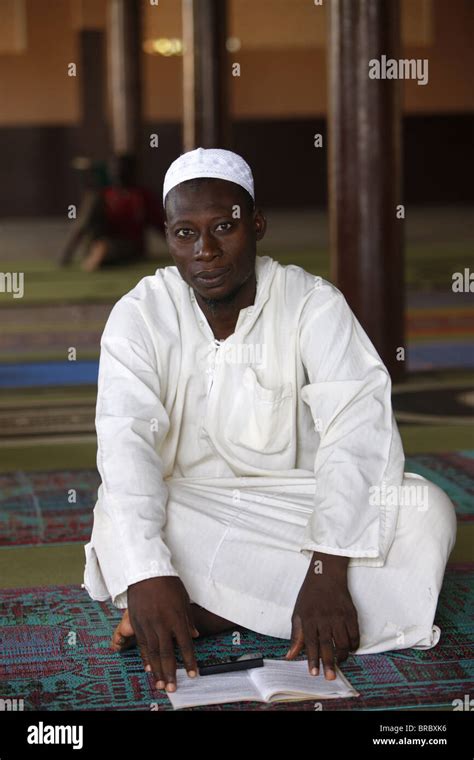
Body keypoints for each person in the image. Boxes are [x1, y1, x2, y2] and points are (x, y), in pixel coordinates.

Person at [83, 147, 457, 695]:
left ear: (257, 225)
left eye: (224, 228)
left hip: (300, 508)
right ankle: (188, 597)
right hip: (192, 508)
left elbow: (359, 433)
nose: (205, 252)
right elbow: (124, 444)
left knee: (426, 512)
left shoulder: (313, 304)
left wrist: (328, 569)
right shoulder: (140, 314)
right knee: (119, 509)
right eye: (185, 234)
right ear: (167, 236)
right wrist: (147, 573)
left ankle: (215, 614)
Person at [59, 154, 165, 271]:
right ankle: (97, 254)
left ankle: (101, 255)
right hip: (101, 243)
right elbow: (82, 226)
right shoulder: (101, 196)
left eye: (122, 170)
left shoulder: (142, 196)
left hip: (131, 247)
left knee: (110, 249)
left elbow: (159, 224)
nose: (117, 174)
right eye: (114, 170)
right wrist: (67, 255)